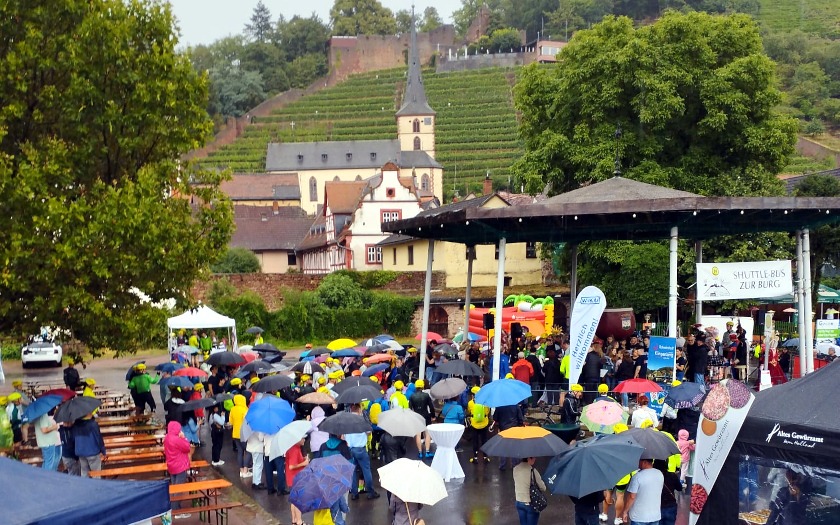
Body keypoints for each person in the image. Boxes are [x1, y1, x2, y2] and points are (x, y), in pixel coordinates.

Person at [346, 404, 380, 500]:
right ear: (359, 409)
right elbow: (369, 432)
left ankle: (354, 493)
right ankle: (370, 492)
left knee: (352, 472)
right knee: (366, 470)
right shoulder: (362, 420)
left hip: (350, 449)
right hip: (360, 449)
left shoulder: (346, 420)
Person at [164, 420, 193, 519]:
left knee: (174, 487)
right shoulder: (177, 439)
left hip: (171, 466)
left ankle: (175, 508)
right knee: (179, 489)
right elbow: (187, 447)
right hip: (180, 466)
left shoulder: (167, 438)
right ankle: (175, 510)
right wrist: (183, 437)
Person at [622, 458, 664, 525]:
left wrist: (625, 511)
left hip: (639, 516)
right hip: (655, 516)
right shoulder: (660, 474)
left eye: (639, 461)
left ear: (644, 462)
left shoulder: (637, 477)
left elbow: (632, 496)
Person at [514, 456, 546, 525]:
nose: (535, 459)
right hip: (530, 503)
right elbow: (543, 488)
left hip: (519, 501)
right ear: (528, 458)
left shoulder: (515, 469)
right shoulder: (532, 471)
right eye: (533, 458)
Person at [493, 403, 524, 471]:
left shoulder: (500, 406)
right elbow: (520, 419)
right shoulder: (516, 406)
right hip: (514, 429)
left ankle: (502, 465)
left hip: (503, 429)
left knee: (503, 447)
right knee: (514, 447)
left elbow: (495, 418)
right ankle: (514, 464)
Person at [408, 380, 435, 459]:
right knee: (427, 434)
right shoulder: (426, 395)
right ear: (422, 386)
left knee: (418, 435)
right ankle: (427, 451)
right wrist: (433, 416)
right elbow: (431, 407)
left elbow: (410, 408)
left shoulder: (412, 396)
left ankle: (420, 452)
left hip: (417, 416)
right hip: (426, 415)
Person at [285, 437, 309, 525]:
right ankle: (299, 521)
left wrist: (303, 459)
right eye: (303, 438)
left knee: (293, 500)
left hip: (292, 478)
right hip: (296, 478)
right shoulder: (294, 450)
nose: (304, 440)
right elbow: (291, 466)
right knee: (298, 500)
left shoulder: (294, 448)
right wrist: (304, 463)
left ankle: (294, 519)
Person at [229, 393, 251, 478]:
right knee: (248, 451)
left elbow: (231, 422)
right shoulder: (245, 409)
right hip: (244, 434)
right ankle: (246, 470)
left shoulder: (233, 409)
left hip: (235, 434)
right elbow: (247, 422)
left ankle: (241, 471)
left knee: (240, 452)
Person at [467, 386, 491, 463]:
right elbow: (487, 412)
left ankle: (475, 457)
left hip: (474, 424)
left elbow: (469, 411)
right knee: (484, 440)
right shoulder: (485, 402)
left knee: (475, 441)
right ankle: (485, 457)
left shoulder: (470, 403)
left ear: (473, 395)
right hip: (484, 423)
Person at [655, 459, 682, 525]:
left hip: (657, 507)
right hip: (671, 506)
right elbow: (679, 488)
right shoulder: (672, 476)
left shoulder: (653, 477)